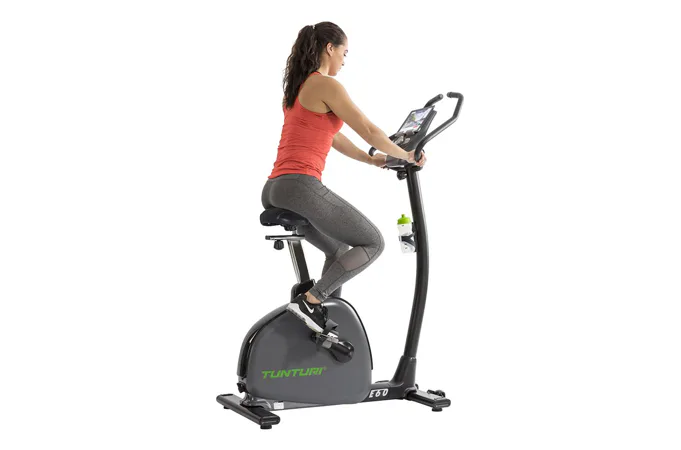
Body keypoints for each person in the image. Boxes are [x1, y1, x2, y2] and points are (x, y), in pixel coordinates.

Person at [261, 21, 426, 333]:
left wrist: (371, 159)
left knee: (338, 250)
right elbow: (368, 129)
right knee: (373, 242)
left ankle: (320, 330)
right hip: (299, 185)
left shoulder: (299, 88)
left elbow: (333, 137)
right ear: (330, 48)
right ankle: (311, 302)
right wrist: (407, 154)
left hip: (275, 188)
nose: (344, 60)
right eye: (344, 53)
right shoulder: (326, 85)